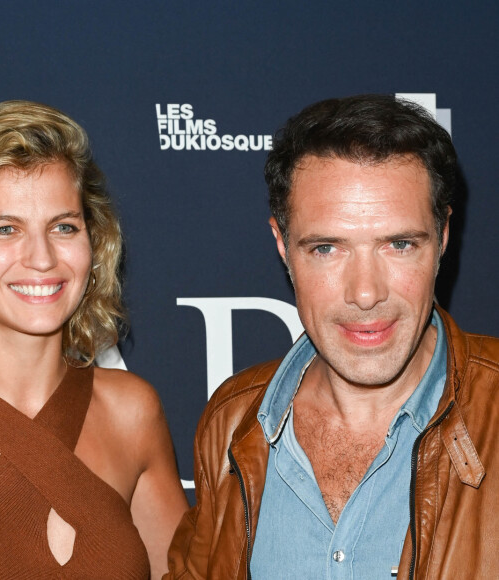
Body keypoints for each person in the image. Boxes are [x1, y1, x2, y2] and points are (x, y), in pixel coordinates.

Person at [165, 94, 499, 579]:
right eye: (326, 248)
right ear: (282, 244)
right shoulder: (233, 420)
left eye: (399, 244)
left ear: (443, 236)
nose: (365, 293)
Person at [0, 100, 188, 579]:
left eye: (63, 227)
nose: (42, 259)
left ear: (94, 240)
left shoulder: (132, 411)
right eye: (5, 229)